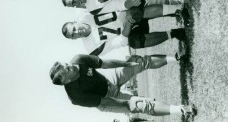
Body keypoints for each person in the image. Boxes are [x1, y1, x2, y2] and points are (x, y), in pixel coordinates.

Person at [49, 54, 197, 116]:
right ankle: (182, 110)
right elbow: (104, 101)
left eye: (66, 64)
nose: (70, 66)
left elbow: (104, 63)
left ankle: (177, 58)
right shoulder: (75, 96)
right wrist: (128, 102)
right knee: (140, 104)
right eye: (67, 70)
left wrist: (126, 63)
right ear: (66, 81)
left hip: (108, 81)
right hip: (107, 99)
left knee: (138, 62)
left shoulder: (78, 59)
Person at [61, 1, 190, 55]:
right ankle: (175, 33)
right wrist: (127, 26)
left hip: (126, 12)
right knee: (133, 43)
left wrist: (125, 8)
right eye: (74, 35)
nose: (77, 32)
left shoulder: (83, 12)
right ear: (74, 39)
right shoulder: (91, 47)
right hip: (127, 32)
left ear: (75, 22)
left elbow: (107, 2)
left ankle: (178, 8)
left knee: (133, 13)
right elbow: (119, 43)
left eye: (74, 29)